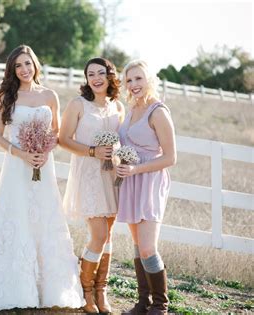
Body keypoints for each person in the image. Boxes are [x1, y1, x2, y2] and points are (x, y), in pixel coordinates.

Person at [0, 45, 84, 313]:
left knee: (44, 217)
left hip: (44, 165)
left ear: (35, 65)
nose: (24, 70)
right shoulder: (7, 97)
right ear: (13, 70)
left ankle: (48, 288)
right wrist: (22, 154)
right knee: (17, 216)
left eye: (28, 64)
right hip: (17, 167)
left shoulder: (50, 95)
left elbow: (56, 133)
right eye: (18, 66)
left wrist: (44, 151)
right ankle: (17, 286)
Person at [60, 57, 125, 314]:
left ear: (110, 76)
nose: (96, 78)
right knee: (98, 234)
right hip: (88, 173)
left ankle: (101, 291)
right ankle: (85, 291)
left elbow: (122, 140)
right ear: (86, 79)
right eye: (91, 74)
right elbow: (63, 139)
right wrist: (92, 151)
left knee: (108, 235)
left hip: (113, 176)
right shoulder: (78, 104)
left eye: (101, 73)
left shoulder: (117, 106)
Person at [116, 60, 176, 314]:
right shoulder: (130, 110)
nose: (134, 84)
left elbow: (170, 158)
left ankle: (160, 306)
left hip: (149, 181)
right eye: (129, 80)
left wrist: (136, 169)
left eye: (138, 78)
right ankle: (143, 302)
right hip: (130, 182)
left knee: (148, 246)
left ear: (149, 79)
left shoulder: (158, 112)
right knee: (138, 246)